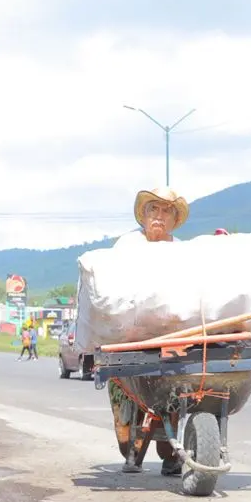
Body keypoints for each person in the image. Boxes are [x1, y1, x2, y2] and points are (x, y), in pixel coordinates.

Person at [108, 185, 190, 476]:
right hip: (132, 335)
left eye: (166, 211)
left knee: (173, 393)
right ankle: (132, 449)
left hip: (170, 335)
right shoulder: (128, 246)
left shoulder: (181, 250)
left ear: (174, 219)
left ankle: (171, 452)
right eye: (153, 209)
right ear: (143, 215)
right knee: (126, 421)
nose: (159, 216)